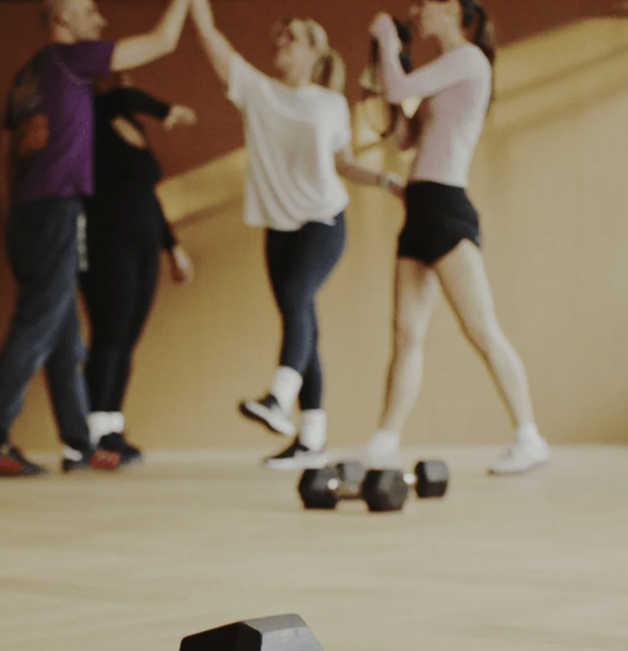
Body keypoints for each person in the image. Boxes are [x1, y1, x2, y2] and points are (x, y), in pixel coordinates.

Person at [0, 0, 191, 477]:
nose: (101, 20)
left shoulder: (28, 74)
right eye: (89, 10)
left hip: (30, 212)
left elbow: (4, 152)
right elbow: (162, 42)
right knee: (35, 326)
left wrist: (12, 214)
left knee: (65, 339)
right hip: (56, 209)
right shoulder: (70, 60)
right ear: (62, 17)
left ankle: (79, 444)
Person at [189, 0, 402, 470]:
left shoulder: (329, 103)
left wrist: (387, 181)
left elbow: (344, 164)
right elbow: (211, 38)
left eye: (290, 40)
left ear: (312, 50)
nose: (279, 46)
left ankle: (279, 397)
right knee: (301, 319)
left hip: (324, 222)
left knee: (298, 295)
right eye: (277, 40)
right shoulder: (256, 91)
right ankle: (311, 441)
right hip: (279, 229)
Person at [366, 0, 550, 475]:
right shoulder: (441, 71)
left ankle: (529, 437)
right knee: (405, 334)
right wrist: (389, 85)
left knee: (481, 329)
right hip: (419, 207)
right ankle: (383, 441)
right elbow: (406, 139)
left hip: (447, 208)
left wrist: (387, 36)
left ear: (452, 9)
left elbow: (400, 84)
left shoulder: (468, 60)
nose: (413, 11)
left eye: (423, 4)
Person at [80, 73, 196, 466]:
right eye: (119, 74)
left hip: (144, 242)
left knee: (129, 335)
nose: (128, 81)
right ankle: (94, 431)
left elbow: (149, 195)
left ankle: (111, 427)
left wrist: (173, 246)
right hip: (107, 241)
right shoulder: (92, 118)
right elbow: (122, 96)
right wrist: (167, 110)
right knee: (110, 331)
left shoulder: (136, 127)